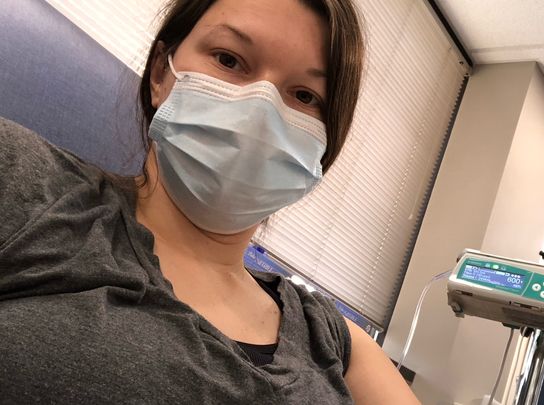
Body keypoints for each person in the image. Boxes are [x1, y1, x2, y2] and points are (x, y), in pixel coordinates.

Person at [0, 0, 420, 403]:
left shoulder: (333, 339)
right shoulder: (26, 181)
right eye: (228, 60)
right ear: (161, 75)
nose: (261, 111)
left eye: (305, 96)